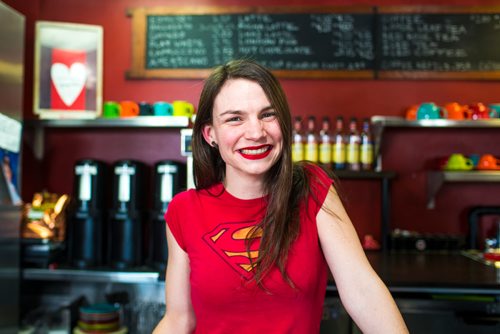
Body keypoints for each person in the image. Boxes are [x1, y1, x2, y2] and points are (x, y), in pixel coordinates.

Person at [153, 59, 408, 333]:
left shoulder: (313, 189)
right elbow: (179, 319)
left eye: (267, 115)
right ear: (210, 134)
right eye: (235, 118)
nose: (255, 132)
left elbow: (362, 290)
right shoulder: (185, 210)